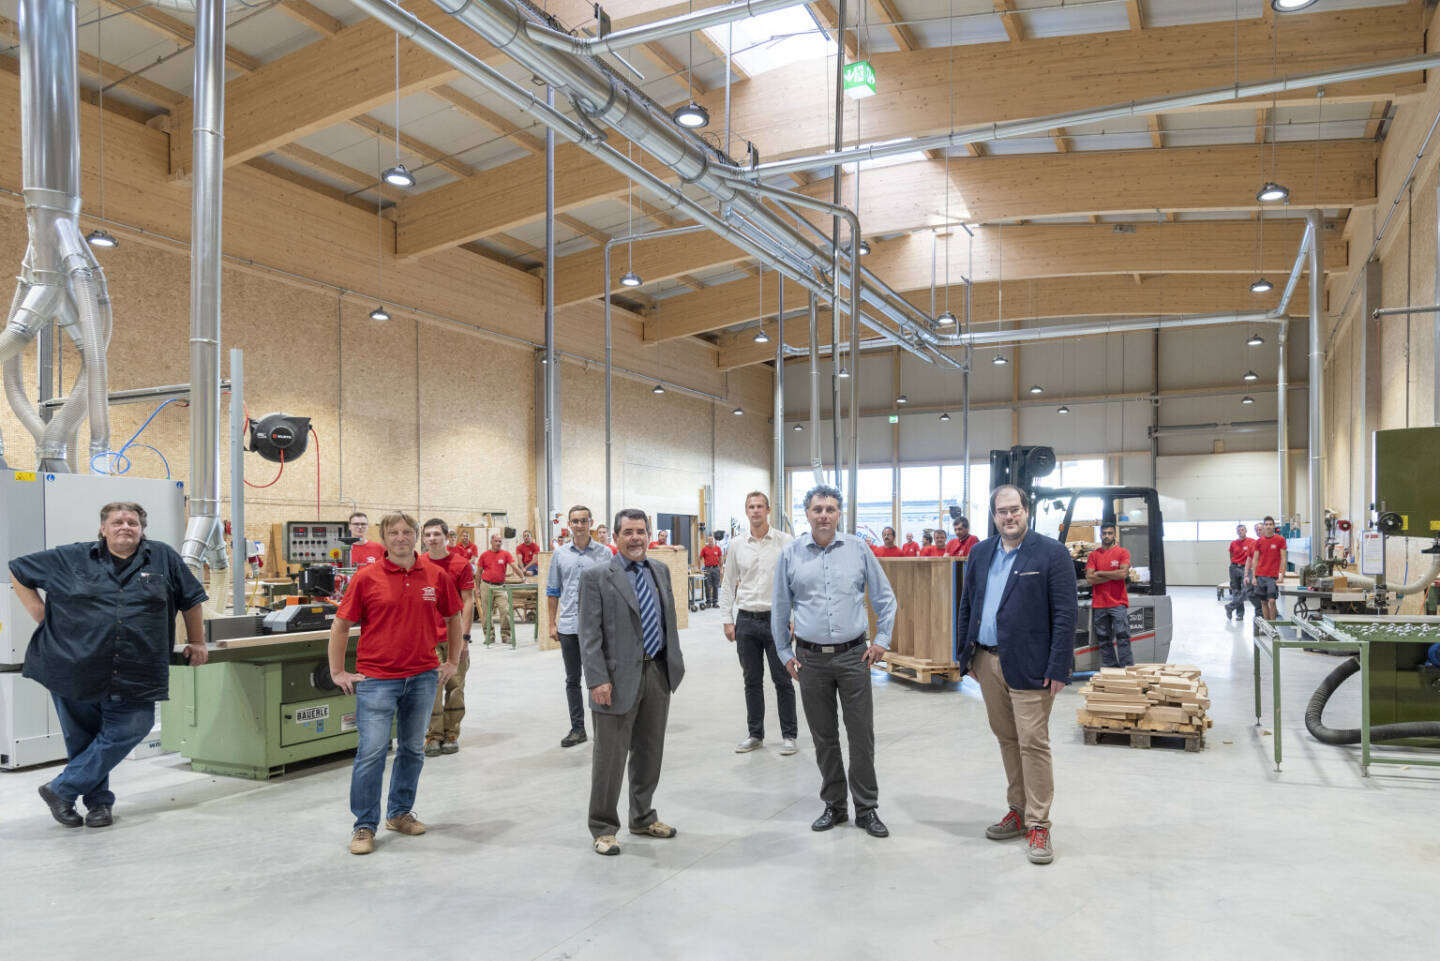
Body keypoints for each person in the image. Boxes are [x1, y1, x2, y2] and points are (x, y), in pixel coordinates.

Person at [10, 502, 208, 829]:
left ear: (142, 529)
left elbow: (192, 600)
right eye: (117, 522)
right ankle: (99, 805)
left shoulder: (163, 557)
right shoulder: (72, 557)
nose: (125, 527)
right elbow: (18, 569)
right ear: (103, 529)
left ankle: (61, 789)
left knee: (135, 725)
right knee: (82, 739)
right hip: (74, 663)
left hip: (137, 667)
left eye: (132, 522)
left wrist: (198, 641)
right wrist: (40, 613)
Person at [955, 485, 1076, 866]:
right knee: (1007, 739)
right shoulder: (980, 553)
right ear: (993, 516)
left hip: (1032, 666)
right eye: (1001, 511)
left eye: (1014, 510)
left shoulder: (1051, 553)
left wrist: (1059, 666)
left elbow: (1065, 613)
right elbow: (967, 604)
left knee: (1033, 743)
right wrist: (966, 657)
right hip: (987, 661)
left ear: (1026, 511)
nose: (1008, 517)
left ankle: (1039, 824)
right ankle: (1018, 811)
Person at [329, 512, 463, 855]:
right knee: (371, 753)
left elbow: (454, 617)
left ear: (415, 536)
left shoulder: (435, 576)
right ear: (384, 537)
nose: (400, 537)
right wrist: (338, 672)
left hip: (422, 677)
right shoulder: (366, 578)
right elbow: (341, 625)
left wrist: (451, 661)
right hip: (377, 679)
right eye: (394, 532)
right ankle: (364, 825)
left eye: (406, 531)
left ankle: (399, 813)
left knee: (412, 750)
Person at [772, 484, 897, 839]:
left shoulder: (858, 549)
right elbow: (780, 606)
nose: (824, 515)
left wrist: (882, 641)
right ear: (807, 514)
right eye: (817, 509)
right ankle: (835, 805)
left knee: (861, 735)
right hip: (810, 660)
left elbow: (885, 599)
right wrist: (784, 652)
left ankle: (867, 808)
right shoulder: (791, 554)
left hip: (854, 657)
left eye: (830, 509)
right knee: (824, 737)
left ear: (839, 513)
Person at [581, 509, 687, 856]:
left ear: (649, 535)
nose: (635, 538)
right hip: (614, 680)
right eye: (627, 532)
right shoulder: (597, 576)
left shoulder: (660, 570)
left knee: (649, 751)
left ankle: (642, 817)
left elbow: (667, 619)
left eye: (640, 531)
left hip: (657, 672)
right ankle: (603, 828)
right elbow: (589, 633)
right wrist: (597, 678)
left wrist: (672, 664)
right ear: (615, 537)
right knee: (609, 758)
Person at [719, 492, 797, 756]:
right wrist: (727, 619)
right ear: (746, 511)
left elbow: (794, 582)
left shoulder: (785, 542)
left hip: (776, 621)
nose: (755, 511)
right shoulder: (737, 544)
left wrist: (793, 617)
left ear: (768, 510)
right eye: (751, 507)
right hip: (746, 621)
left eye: (760, 506)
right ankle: (755, 734)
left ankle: (789, 735)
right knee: (751, 681)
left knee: (783, 679)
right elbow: (728, 583)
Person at [545, 504, 612, 748]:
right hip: (569, 626)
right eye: (575, 521)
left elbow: (613, 590)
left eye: (584, 520)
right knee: (573, 679)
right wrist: (552, 624)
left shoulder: (605, 553)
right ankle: (577, 729)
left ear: (590, 523)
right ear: (569, 525)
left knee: (602, 677)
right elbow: (553, 591)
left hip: (598, 627)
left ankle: (606, 728)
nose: (580, 525)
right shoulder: (560, 555)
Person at [419, 519, 475, 757]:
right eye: (428, 535)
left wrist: (464, 638)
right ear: (423, 538)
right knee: (431, 688)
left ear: (446, 537)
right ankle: (433, 735)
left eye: (436, 534)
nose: (432, 538)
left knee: (455, 687)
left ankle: (451, 733)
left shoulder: (461, 564)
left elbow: (468, 601)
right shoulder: (417, 564)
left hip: (453, 637)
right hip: (427, 639)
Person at [1085, 524, 1132, 668]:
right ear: (1100, 535)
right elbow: (1090, 578)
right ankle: (1111, 668)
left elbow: (1123, 574)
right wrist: (1113, 575)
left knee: (1123, 637)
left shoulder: (1122, 552)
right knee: (1104, 639)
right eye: (1104, 533)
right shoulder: (1094, 555)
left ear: (1114, 535)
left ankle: (1126, 669)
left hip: (1118, 603)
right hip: (1099, 604)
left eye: (1110, 533)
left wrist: (1100, 573)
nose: (1107, 536)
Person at [478, 532, 526, 645]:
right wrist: (477, 588)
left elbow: (514, 567)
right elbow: (479, 572)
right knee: (486, 613)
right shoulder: (484, 555)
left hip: (500, 586)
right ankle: (489, 636)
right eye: (496, 541)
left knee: (505, 610)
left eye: (500, 541)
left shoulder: (505, 554)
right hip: (486, 585)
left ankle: (506, 636)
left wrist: (523, 578)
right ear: (491, 542)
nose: (498, 543)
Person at [1246, 516, 1287, 621]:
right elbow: (1255, 559)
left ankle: (1273, 626)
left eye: (1270, 524)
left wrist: (1281, 576)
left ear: (1274, 526)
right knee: (1263, 602)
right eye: (1266, 524)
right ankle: (1267, 625)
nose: (1268, 526)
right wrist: (1254, 577)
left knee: (1272, 601)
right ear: (1264, 526)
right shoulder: (1259, 541)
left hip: (1273, 577)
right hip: (1260, 575)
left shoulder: (1280, 540)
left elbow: (1283, 559)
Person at [1224, 524, 1255, 620]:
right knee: (1236, 591)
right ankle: (1240, 614)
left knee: (1246, 589)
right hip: (1234, 567)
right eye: (1239, 530)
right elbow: (1231, 555)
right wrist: (1234, 564)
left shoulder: (1252, 541)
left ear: (1246, 531)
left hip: (1245, 568)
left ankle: (1230, 606)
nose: (1240, 531)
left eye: (1242, 530)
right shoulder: (1233, 543)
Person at [699, 534, 723, 608]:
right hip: (707, 569)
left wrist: (721, 569)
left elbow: (720, 559)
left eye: (712, 539)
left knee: (716, 586)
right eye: (709, 540)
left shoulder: (718, 548)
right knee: (708, 586)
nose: (710, 541)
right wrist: (700, 568)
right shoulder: (704, 549)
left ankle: (715, 602)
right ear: (707, 541)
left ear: (714, 540)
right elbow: (700, 558)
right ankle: (708, 602)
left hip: (716, 568)